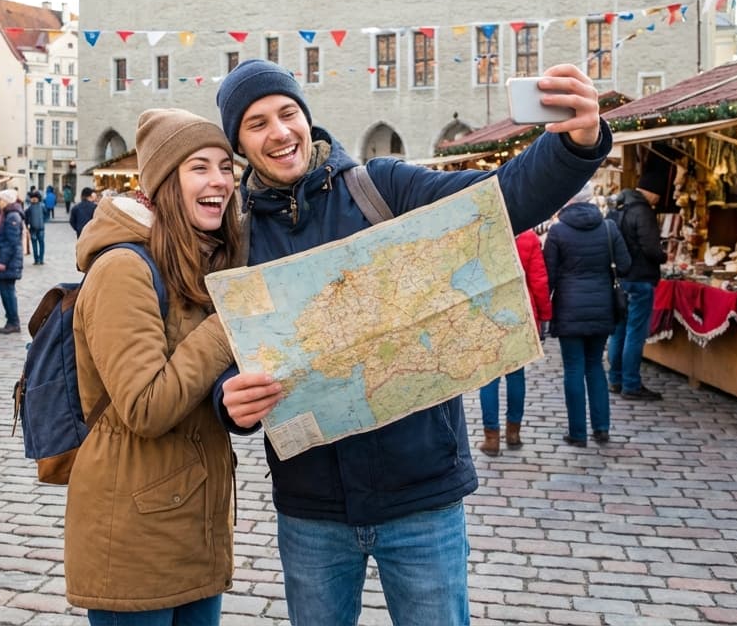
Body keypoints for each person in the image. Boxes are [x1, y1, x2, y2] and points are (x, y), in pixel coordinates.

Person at [212, 59, 610, 626]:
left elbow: (500, 201)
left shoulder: (381, 187)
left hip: (421, 498)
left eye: (287, 113)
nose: (278, 132)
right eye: (256, 123)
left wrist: (575, 145)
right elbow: (218, 359)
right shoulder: (237, 236)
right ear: (240, 143)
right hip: (312, 510)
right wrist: (229, 402)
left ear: (306, 117)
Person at [65, 108, 242, 623]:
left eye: (226, 166)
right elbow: (145, 406)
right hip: (134, 537)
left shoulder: (199, 258)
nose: (219, 181)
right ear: (165, 182)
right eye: (199, 167)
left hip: (195, 529)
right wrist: (225, 322)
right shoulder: (123, 269)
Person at [543, 183, 631, 447]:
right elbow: (625, 265)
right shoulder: (608, 228)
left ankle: (577, 432)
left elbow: (549, 275)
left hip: (569, 307)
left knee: (573, 368)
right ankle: (601, 428)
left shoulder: (557, 231)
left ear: (568, 199)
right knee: (595, 366)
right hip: (602, 306)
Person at [477, 229, 551, 456]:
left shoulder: (483, 233)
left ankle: (491, 437)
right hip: (520, 312)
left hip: (489, 313)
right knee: (516, 375)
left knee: (489, 377)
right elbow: (538, 280)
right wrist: (545, 316)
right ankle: (513, 432)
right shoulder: (528, 237)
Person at [607, 166, 669, 401]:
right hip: (640, 278)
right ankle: (631, 384)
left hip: (621, 278)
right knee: (635, 332)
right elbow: (651, 248)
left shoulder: (618, 207)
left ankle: (615, 379)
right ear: (652, 192)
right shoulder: (643, 211)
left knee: (619, 331)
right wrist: (664, 256)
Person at [0, 188, 26, 334]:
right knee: (6, 291)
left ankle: (13, 321)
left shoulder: (12, 216)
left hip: (8, 262)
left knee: (8, 292)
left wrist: (3, 262)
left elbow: (11, 243)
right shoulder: (7, 214)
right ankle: (11, 320)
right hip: (7, 260)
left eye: (0, 199)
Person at [25, 191, 47, 265]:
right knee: (34, 245)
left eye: (35, 198)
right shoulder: (29, 207)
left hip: (41, 228)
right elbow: (26, 217)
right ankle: (36, 259)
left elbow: (46, 214)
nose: (34, 199)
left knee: (41, 244)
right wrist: (27, 225)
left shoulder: (42, 206)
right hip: (32, 229)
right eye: (32, 198)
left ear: (38, 198)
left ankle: (41, 259)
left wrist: (43, 221)